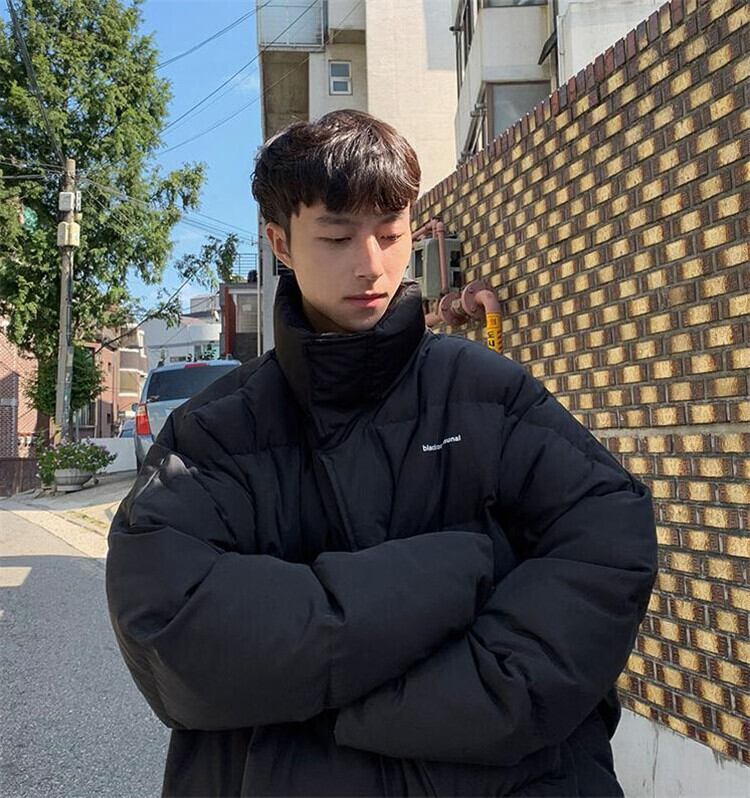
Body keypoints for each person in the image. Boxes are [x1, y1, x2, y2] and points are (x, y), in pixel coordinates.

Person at [105, 109, 657, 797]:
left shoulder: (487, 392)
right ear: (280, 243)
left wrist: (433, 700)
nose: (371, 264)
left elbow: (608, 542)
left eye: (391, 233)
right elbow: (170, 625)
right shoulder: (216, 433)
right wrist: (457, 571)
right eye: (337, 237)